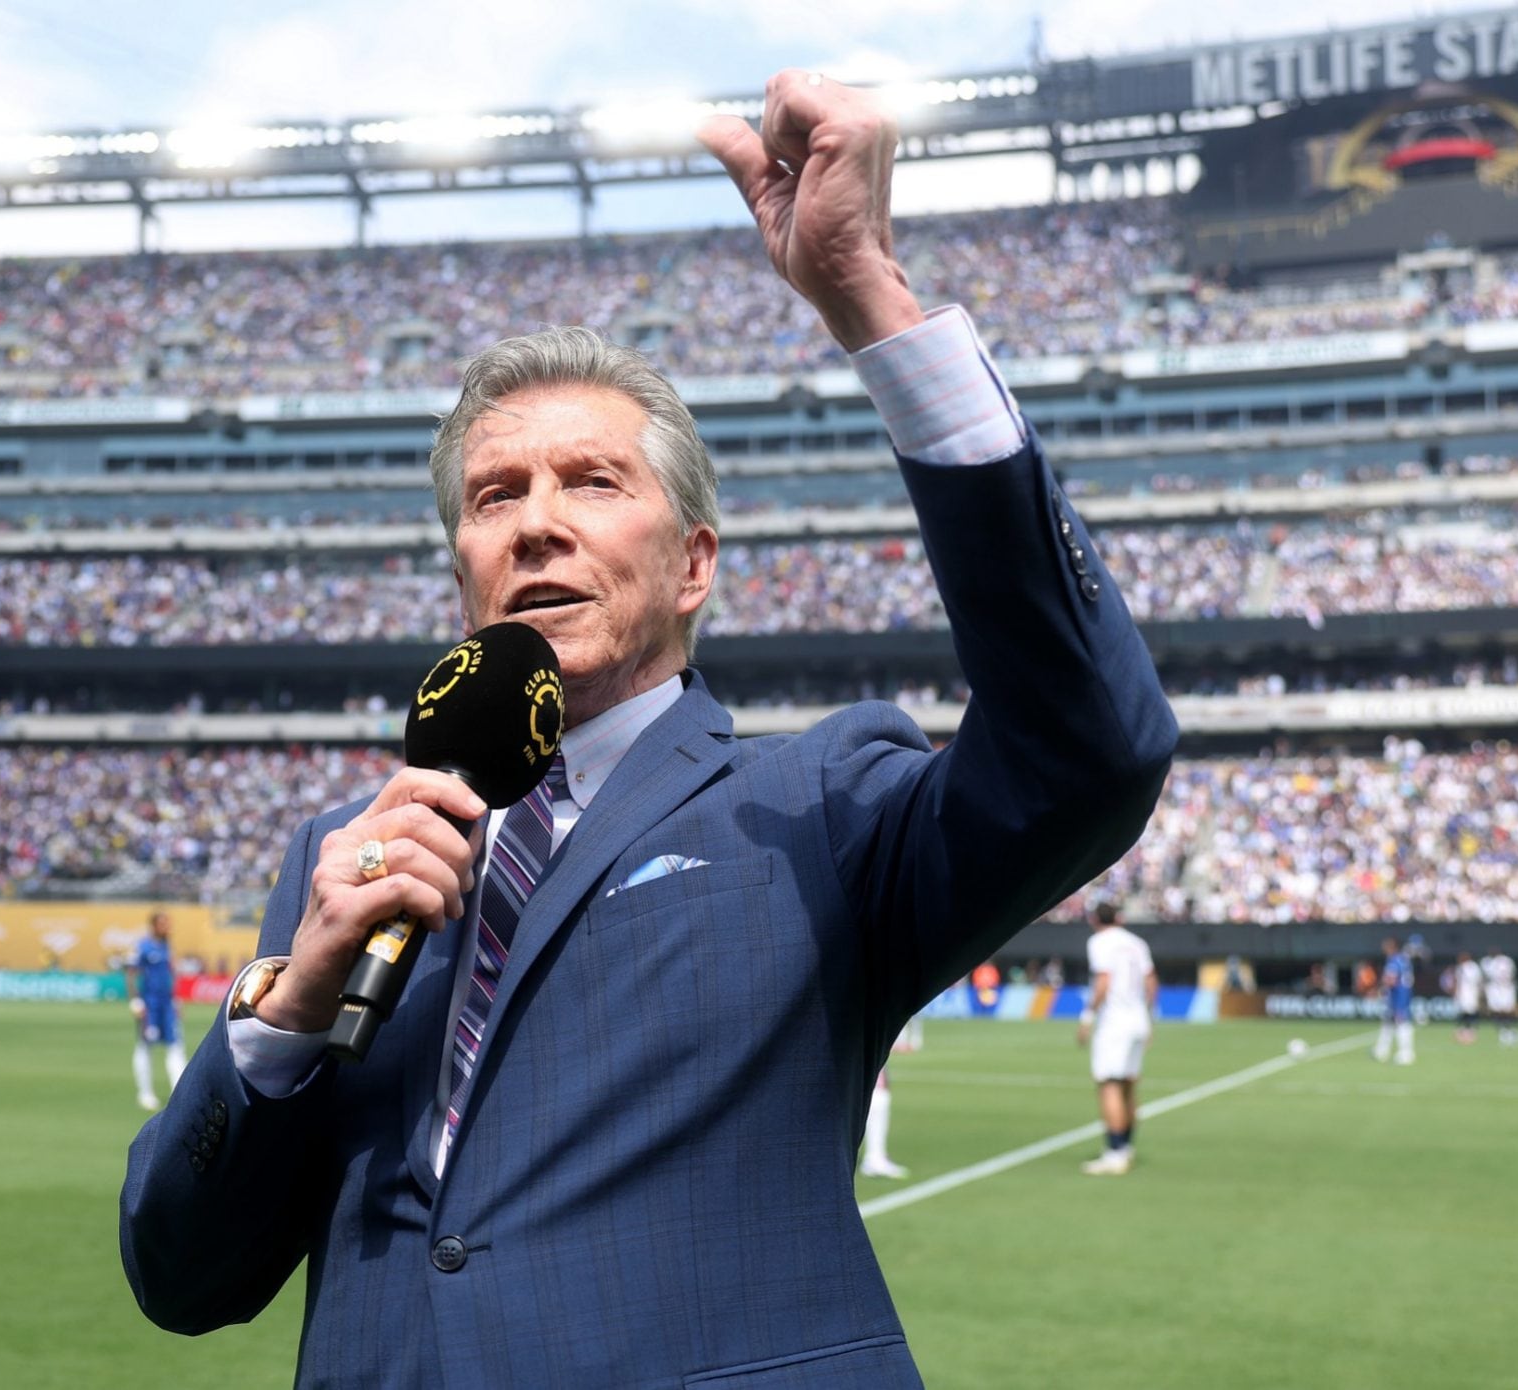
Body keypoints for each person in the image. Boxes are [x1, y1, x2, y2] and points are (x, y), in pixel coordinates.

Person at [119, 70, 1177, 1390]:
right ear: (464, 566)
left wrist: (869, 298)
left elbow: (1093, 747)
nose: (536, 520)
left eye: (592, 481)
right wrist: (287, 1011)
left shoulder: (820, 807)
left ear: (692, 564)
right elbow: (181, 1275)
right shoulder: (350, 856)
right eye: (497, 492)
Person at [1078, 899, 1156, 1175]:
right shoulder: (1137, 942)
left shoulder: (1099, 942)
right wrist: (1148, 1018)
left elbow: (1103, 981)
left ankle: (1115, 1153)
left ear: (1094, 920)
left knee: (1109, 1084)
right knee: (1128, 1086)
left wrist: (1087, 1017)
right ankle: (1126, 1147)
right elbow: (1151, 983)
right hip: (1137, 1020)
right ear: (1119, 918)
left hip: (1115, 1023)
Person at [125, 909, 185, 1110]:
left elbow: (172, 974)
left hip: (167, 1004)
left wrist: (176, 1000)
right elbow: (131, 974)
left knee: (175, 1045)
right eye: (163, 923)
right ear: (154, 926)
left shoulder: (167, 945)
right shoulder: (143, 946)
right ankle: (145, 1093)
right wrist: (136, 1001)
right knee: (145, 1046)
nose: (167, 927)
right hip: (150, 1004)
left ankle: (179, 1091)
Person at [1372, 936, 1415, 1065]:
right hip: (1402, 995)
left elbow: (1391, 979)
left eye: (1386, 945)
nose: (1383, 947)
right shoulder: (1403, 959)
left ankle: (1406, 1053)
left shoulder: (1394, 960)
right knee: (1388, 1023)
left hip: (1398, 997)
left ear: (1393, 946)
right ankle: (1381, 1051)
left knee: (1401, 1023)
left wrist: (1378, 989)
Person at [1483, 947, 1518, 1047]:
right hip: (1496, 989)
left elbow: (1513, 974)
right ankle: (1503, 1031)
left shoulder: (1506, 961)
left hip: (1505, 988)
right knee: (1497, 1011)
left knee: (1507, 1011)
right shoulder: (1489, 962)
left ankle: (1511, 1031)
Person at [1452, 951, 1484, 1044]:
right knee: (1463, 1011)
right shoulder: (1460, 967)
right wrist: (1456, 992)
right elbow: (1457, 981)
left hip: (1471, 992)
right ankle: (1463, 1031)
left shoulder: (1474, 967)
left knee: (1471, 1011)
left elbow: (1479, 981)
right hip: (1462, 993)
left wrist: (1479, 993)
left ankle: (1470, 1031)